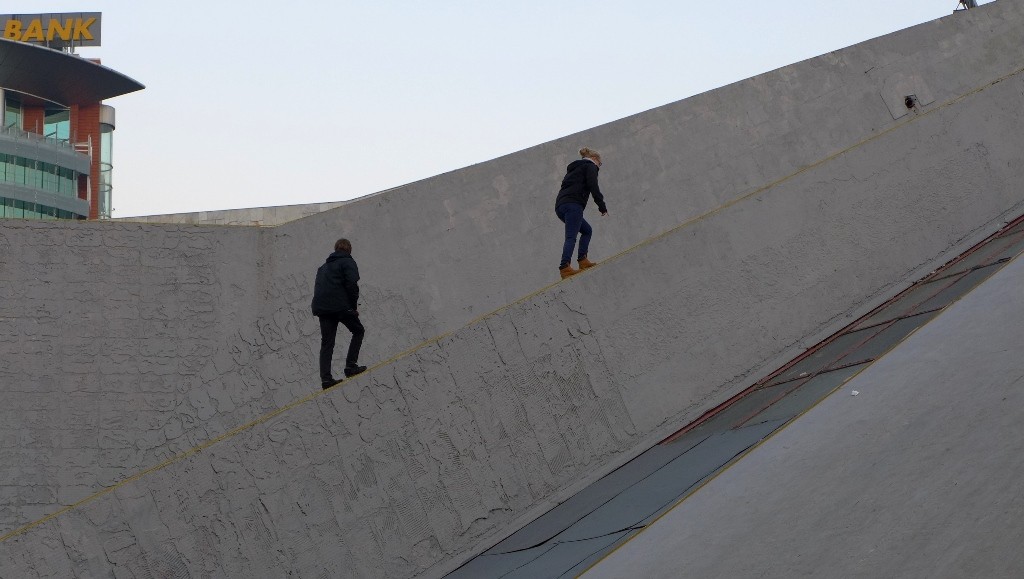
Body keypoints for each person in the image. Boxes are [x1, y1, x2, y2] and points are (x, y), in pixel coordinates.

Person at [311, 238, 367, 389]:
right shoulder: (348, 261)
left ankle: (326, 379)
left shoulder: (323, 267)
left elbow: (319, 288)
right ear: (349, 250)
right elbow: (352, 283)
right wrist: (353, 307)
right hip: (340, 306)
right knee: (358, 331)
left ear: (335, 249)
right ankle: (350, 366)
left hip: (322, 308)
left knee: (327, 342)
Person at [555, 147, 609, 278]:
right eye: (600, 164)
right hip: (574, 205)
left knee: (587, 230)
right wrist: (602, 206)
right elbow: (593, 186)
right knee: (571, 237)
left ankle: (582, 260)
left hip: (560, 206)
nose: (599, 167)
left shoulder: (574, 169)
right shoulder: (590, 166)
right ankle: (565, 267)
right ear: (595, 159)